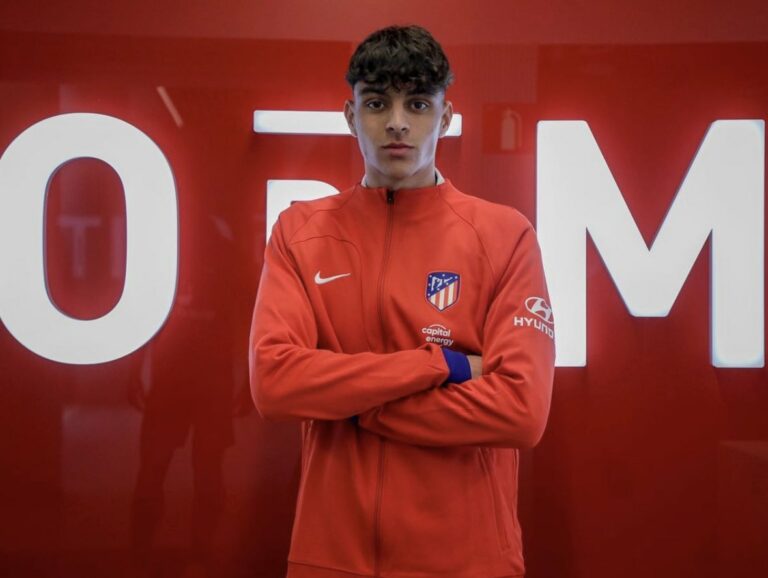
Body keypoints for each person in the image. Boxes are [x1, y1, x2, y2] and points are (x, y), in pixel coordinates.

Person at [249, 25, 555, 578]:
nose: (396, 122)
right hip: (331, 557)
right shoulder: (299, 232)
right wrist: (444, 365)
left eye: (417, 103)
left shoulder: (505, 235)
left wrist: (356, 406)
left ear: (445, 117)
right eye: (376, 103)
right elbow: (274, 382)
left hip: (468, 560)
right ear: (350, 116)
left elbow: (521, 411)